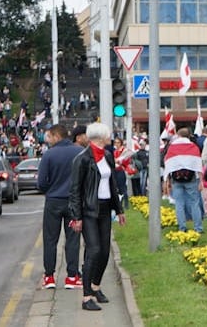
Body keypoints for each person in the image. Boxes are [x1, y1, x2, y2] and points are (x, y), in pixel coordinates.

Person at [67, 123, 126, 311]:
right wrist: (77, 216)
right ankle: (86, 297)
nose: (110, 136)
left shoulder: (107, 156)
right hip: (88, 210)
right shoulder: (82, 159)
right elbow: (75, 190)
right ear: (100, 137)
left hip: (105, 208)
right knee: (93, 250)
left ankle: (95, 286)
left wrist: (119, 210)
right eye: (108, 134)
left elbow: (112, 185)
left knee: (104, 251)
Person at [37, 124, 83, 290]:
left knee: (50, 239)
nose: (48, 140)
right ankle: (72, 277)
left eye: (49, 136)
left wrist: (50, 190)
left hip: (54, 201)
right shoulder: (78, 152)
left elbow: (41, 182)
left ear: (56, 136)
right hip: (73, 202)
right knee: (73, 239)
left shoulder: (49, 155)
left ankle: (49, 276)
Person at [163, 128, 204, 233]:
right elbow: (198, 164)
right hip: (191, 178)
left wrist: (167, 181)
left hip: (176, 179)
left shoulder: (172, 147)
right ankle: (198, 227)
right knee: (194, 203)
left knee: (179, 203)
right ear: (189, 135)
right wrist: (201, 181)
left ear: (178, 135)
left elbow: (168, 163)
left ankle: (182, 227)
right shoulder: (193, 146)